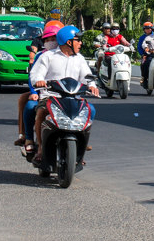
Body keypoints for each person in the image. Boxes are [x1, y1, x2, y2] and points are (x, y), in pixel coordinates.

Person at [28, 25, 100, 162]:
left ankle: (80, 146)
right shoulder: (48, 57)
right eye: (77, 40)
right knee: (41, 113)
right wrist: (39, 81)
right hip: (51, 97)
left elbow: (87, 75)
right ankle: (41, 148)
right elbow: (36, 74)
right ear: (68, 42)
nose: (80, 43)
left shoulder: (79, 59)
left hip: (73, 97)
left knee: (91, 109)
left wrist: (91, 85)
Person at [15, 20, 62, 146]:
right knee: (30, 106)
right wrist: (34, 91)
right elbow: (33, 75)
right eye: (48, 39)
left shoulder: (72, 56)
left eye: (55, 38)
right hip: (45, 93)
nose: (51, 42)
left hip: (66, 94)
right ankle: (28, 138)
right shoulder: (41, 55)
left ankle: (80, 140)